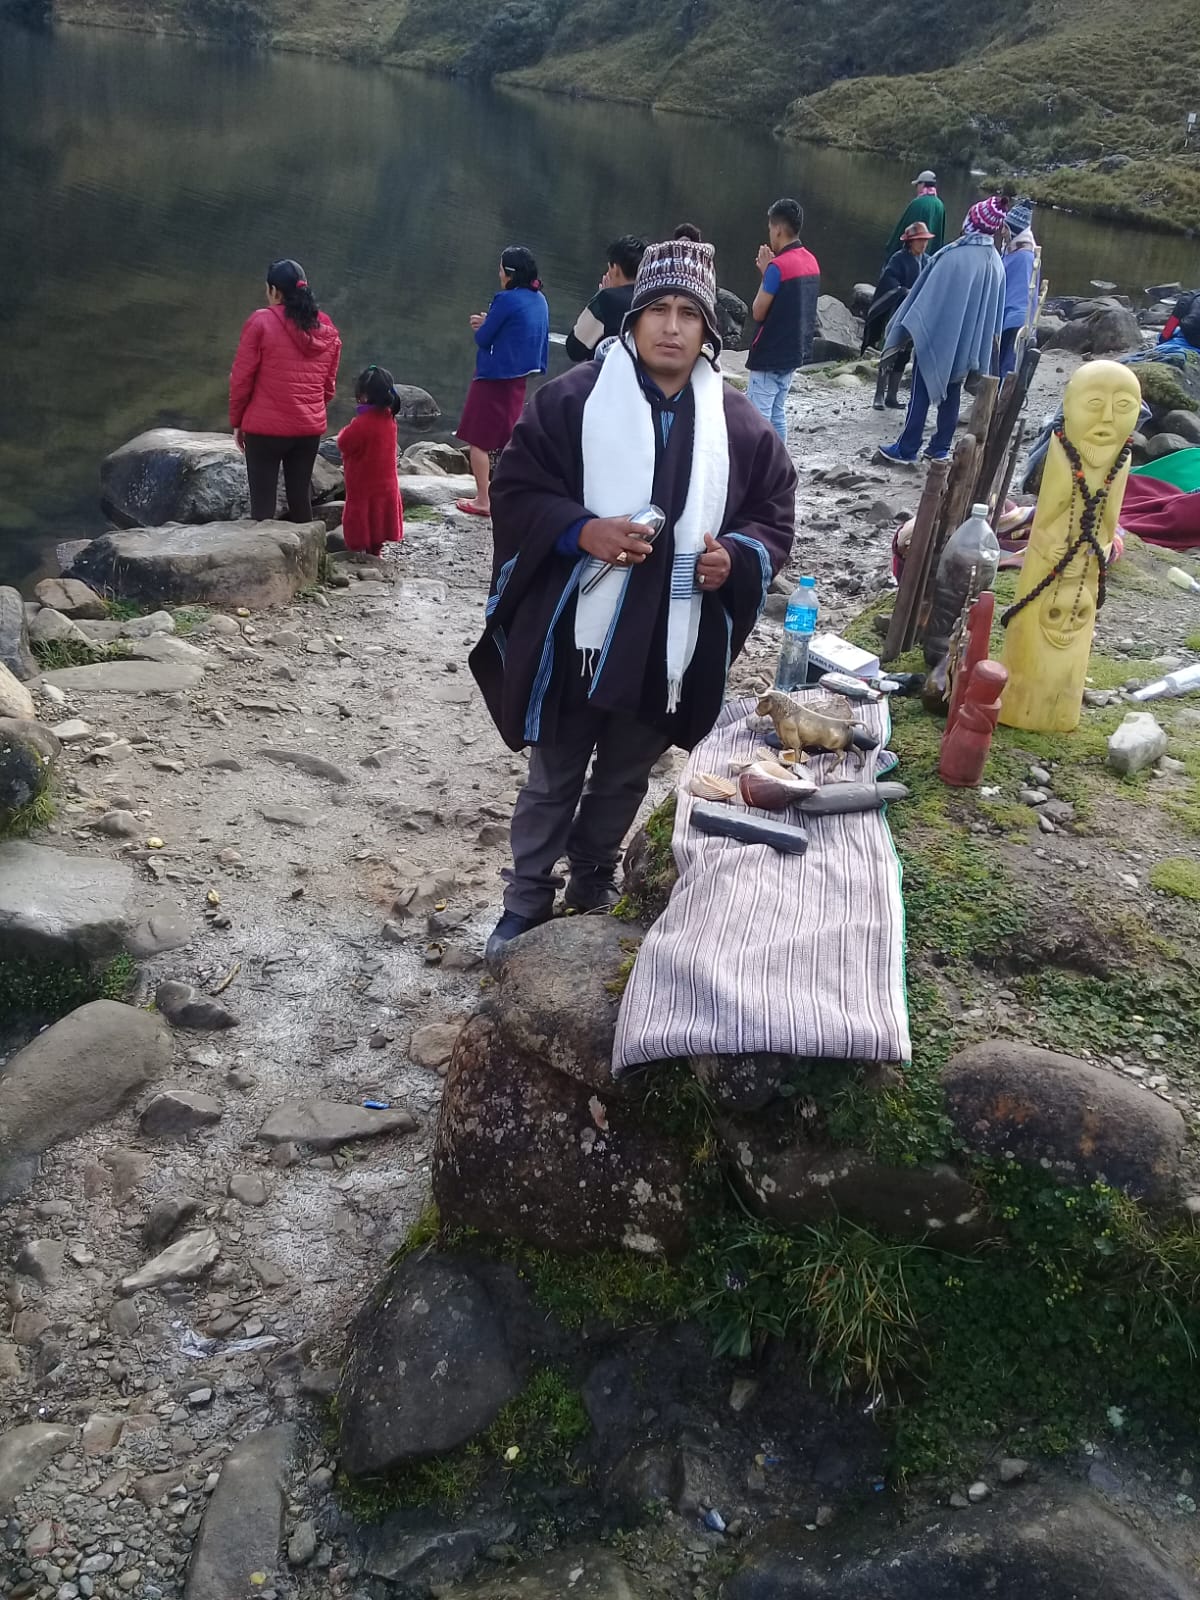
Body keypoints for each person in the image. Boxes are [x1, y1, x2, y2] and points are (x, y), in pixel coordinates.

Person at [469, 237, 797, 960]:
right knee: (554, 773)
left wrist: (734, 559)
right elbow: (519, 490)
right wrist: (580, 530)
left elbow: (773, 514)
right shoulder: (572, 402)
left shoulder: (739, 426)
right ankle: (524, 903)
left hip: (667, 642)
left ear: (709, 330)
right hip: (575, 637)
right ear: (633, 319)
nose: (672, 326)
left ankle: (591, 885)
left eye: (688, 312)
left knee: (622, 775)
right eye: (657, 309)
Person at [875, 197, 1006, 466]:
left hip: (940, 338)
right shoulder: (996, 261)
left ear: (973, 221)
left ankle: (907, 447)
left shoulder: (953, 256)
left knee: (921, 390)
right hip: (969, 344)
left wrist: (908, 330)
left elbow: (926, 300)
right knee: (953, 389)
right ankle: (940, 447)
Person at [229, 258, 341, 523]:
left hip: (264, 431)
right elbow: (328, 388)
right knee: (300, 499)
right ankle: (312, 558)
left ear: (274, 291)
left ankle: (265, 559)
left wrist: (237, 421)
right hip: (307, 431)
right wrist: (309, 410)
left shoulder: (261, 321)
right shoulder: (327, 330)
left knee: (263, 505)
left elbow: (241, 380)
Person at [455, 246, 550, 518]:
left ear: (509, 274)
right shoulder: (539, 299)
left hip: (493, 378)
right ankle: (508, 495)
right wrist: (490, 322)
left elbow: (484, 339)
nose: (498, 274)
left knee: (478, 440)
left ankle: (484, 499)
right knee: (508, 437)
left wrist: (483, 326)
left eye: (500, 269)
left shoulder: (506, 300)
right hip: (518, 379)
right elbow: (521, 331)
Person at [746, 198, 820, 443]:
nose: (770, 233)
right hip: (794, 353)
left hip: (770, 355)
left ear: (777, 228)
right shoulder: (811, 261)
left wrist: (766, 273)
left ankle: (760, 470)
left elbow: (758, 311)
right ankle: (780, 464)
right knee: (778, 412)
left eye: (770, 228)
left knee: (757, 416)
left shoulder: (778, 267)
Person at [862, 222, 934, 410]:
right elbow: (888, 282)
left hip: (916, 315)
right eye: (920, 240)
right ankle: (879, 394)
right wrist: (904, 291)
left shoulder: (927, 261)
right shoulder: (899, 259)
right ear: (910, 242)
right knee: (890, 351)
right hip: (898, 313)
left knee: (904, 354)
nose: (923, 244)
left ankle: (892, 396)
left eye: (925, 241)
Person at [335, 365, 404, 557]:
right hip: (387, 484)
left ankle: (359, 554)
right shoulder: (389, 419)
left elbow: (343, 442)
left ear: (364, 396)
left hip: (363, 485)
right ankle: (376, 551)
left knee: (361, 517)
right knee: (379, 520)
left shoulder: (362, 424)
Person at [565, 235, 647, 362]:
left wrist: (600, 297)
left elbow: (574, 349)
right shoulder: (651, 301)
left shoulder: (607, 300)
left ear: (615, 268)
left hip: (604, 376)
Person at [997, 203, 1039, 380]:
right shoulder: (1014, 250)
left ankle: (999, 403)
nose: (1002, 232)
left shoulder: (1023, 256)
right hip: (1012, 317)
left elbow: (1020, 296)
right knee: (1001, 365)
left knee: (1007, 367)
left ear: (1014, 229)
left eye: (1005, 228)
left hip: (1015, 320)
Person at [883, 170, 946, 259]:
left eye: (917, 185)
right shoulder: (940, 204)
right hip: (928, 258)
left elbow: (903, 227)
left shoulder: (918, 203)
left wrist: (892, 248)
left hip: (912, 254)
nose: (916, 188)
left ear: (922, 184)